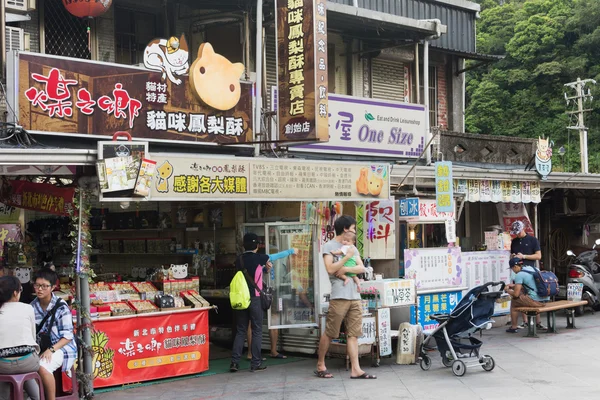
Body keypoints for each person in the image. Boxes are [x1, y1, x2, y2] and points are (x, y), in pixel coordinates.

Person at [315, 215, 376, 379]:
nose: (355, 232)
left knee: (353, 334)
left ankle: (356, 369)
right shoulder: (329, 246)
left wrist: (343, 269)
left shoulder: (353, 247)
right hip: (339, 295)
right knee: (330, 332)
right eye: (353, 229)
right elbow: (330, 269)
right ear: (345, 229)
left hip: (355, 296)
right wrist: (347, 259)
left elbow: (361, 268)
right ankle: (320, 365)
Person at [230, 233, 273, 373]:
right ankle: (255, 363)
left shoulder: (239, 259)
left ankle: (234, 363)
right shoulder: (261, 258)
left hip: (241, 299)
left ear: (244, 245)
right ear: (256, 246)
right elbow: (272, 259)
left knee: (241, 330)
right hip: (255, 298)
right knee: (257, 330)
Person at [31, 269, 77, 400]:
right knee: (25, 364)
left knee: (42, 366)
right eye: (37, 285)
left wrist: (51, 350)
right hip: (41, 346)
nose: (39, 289)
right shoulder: (32, 306)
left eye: (44, 286)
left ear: (52, 287)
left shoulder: (61, 307)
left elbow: (68, 336)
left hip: (61, 346)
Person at [246, 247, 298, 361]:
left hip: (270, 292)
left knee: (272, 319)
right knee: (254, 322)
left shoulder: (256, 260)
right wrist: (291, 251)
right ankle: (253, 353)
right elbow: (277, 256)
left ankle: (270, 351)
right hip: (258, 294)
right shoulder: (260, 259)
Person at [0, 276, 42, 400]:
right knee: (22, 365)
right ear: (15, 293)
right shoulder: (28, 308)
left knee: (6, 369)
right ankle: (36, 397)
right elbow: (32, 338)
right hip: (28, 362)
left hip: (2, 364)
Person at [510, 220, 546, 329]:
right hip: (518, 271)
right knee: (520, 293)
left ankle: (538, 322)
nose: (517, 234)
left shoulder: (532, 240)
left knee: (533, 293)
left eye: (519, 231)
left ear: (524, 228)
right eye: (515, 232)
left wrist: (524, 256)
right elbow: (512, 255)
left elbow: (538, 256)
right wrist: (513, 257)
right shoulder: (514, 241)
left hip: (530, 271)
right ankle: (525, 321)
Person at [505, 258, 550, 333]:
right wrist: (513, 286)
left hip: (536, 302)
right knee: (523, 296)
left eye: (512, 269)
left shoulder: (519, 275)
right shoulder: (534, 268)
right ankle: (538, 323)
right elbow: (529, 285)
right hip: (545, 299)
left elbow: (516, 294)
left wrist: (507, 290)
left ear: (515, 266)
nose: (513, 271)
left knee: (514, 302)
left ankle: (514, 327)